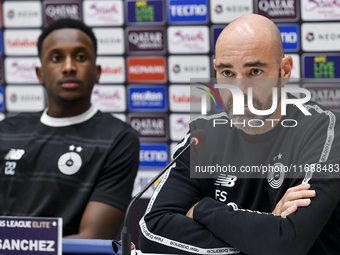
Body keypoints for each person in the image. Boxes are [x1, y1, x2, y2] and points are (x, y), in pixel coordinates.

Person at [139, 14, 340, 255]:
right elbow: (152, 231)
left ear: (284, 70)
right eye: (227, 73)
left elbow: (288, 243)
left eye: (254, 71)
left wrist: (202, 209)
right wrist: (264, 234)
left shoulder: (324, 131)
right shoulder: (202, 135)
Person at [0, 18, 140, 239]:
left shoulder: (118, 138)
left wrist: (16, 246)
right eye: (56, 58)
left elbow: (93, 238)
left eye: (80, 57)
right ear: (40, 74)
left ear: (97, 72)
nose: (68, 67)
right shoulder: (6, 131)